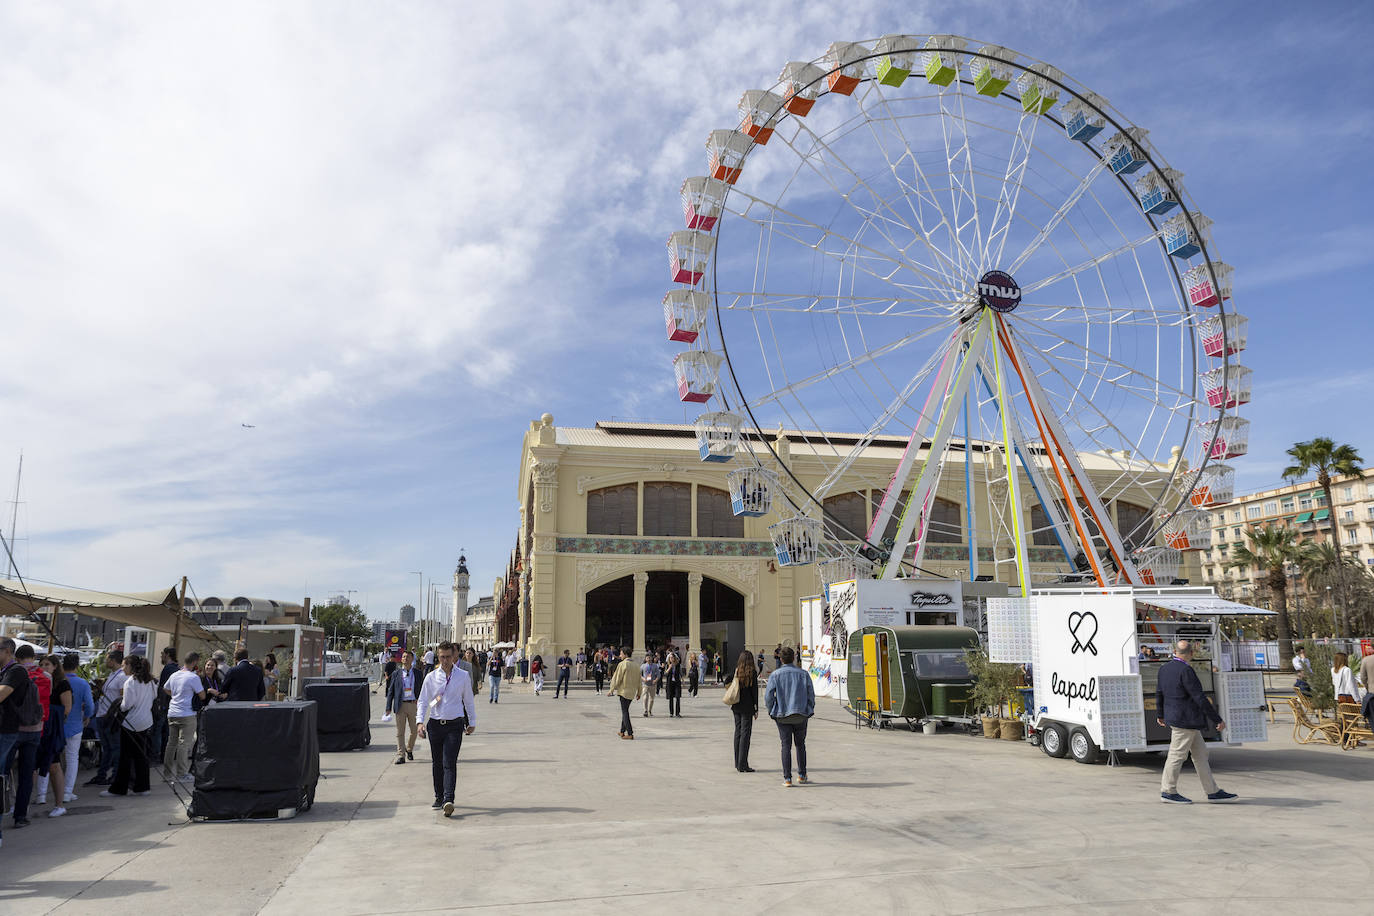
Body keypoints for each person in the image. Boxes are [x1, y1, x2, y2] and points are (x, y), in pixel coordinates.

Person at [1156, 639, 1236, 804]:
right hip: (1186, 720)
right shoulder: (1186, 670)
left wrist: (1160, 713)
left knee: (1200, 756)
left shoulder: (1164, 669)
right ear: (1191, 653)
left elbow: (1159, 692)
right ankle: (1168, 790)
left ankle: (1212, 791)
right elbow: (1199, 697)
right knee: (1176, 755)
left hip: (1177, 718)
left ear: (1175, 651)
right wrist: (1216, 719)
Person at [417, 642, 476, 818]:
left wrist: (471, 721)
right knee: (437, 762)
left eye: (448, 657)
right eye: (442, 657)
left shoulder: (463, 676)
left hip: (455, 725)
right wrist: (420, 722)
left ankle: (448, 799)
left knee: (449, 762)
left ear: (454, 656)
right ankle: (439, 795)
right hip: (435, 724)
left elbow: (469, 700)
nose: (445, 660)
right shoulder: (431, 677)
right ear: (438, 656)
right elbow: (422, 700)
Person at [0, 637, 44, 836]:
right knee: (23, 775)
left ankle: (12, 813)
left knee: (6, 776)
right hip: (31, 728)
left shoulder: (15, 671)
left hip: (12, 731)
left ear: (9, 652)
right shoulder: (44, 676)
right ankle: (19, 816)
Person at [102, 655, 157, 798]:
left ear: (131, 666)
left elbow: (126, 705)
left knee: (125, 757)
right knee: (141, 756)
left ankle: (119, 789)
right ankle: (143, 787)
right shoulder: (150, 681)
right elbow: (154, 697)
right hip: (146, 721)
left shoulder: (130, 682)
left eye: (124, 665)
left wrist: (119, 704)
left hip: (131, 723)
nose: (122, 668)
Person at [764, 646, 815, 787]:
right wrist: (809, 708)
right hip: (800, 714)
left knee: (785, 745)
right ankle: (802, 775)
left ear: (781, 659)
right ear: (794, 658)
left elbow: (768, 696)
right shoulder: (803, 674)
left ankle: (787, 778)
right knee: (800, 745)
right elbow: (811, 694)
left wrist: (772, 710)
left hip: (782, 714)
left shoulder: (775, 675)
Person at [35, 653, 72, 816]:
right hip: (38, 727)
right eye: (42, 664)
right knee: (31, 765)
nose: (44, 667)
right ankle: (36, 797)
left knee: (54, 765)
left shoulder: (62, 684)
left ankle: (59, 805)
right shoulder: (37, 680)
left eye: (47, 664)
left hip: (53, 729)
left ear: (55, 666)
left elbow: (67, 708)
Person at [85, 649, 127, 786]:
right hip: (102, 715)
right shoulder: (113, 675)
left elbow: (122, 698)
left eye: (107, 659)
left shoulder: (121, 677)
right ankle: (101, 775)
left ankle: (115, 775)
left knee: (115, 748)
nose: (105, 661)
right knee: (107, 748)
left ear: (113, 660)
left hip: (111, 717)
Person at [162, 652, 205, 783]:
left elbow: (165, 688)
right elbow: (202, 695)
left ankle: (167, 774)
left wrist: (175, 696)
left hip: (173, 712)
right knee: (184, 744)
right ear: (195, 662)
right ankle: (182, 773)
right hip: (187, 714)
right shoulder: (193, 677)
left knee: (171, 744)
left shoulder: (175, 675)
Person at [58, 653, 94, 801]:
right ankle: (66, 792)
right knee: (72, 758)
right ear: (77, 667)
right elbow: (90, 705)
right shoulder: (83, 683)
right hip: (75, 724)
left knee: (50, 760)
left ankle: (41, 793)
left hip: (56, 725)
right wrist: (87, 716)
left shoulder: (56, 681)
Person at [388, 650, 422, 764]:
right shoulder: (396, 673)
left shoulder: (418, 673)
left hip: (413, 704)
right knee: (400, 732)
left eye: (408, 657)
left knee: (414, 730)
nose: (405, 659)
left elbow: (422, 689)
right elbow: (391, 690)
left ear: (412, 659)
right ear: (401, 659)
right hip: (400, 705)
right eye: (403, 657)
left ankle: (409, 749)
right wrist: (388, 706)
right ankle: (401, 755)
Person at [729, 650, 759, 772]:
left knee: (738, 733)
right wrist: (756, 708)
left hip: (736, 705)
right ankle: (743, 764)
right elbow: (754, 692)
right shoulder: (752, 672)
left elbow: (726, 681)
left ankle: (737, 763)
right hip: (747, 707)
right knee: (745, 735)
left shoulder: (737, 671)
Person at [150, 646, 178, 761]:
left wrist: (159, 705)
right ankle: (164, 755)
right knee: (167, 732)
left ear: (167, 654)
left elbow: (163, 688)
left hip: (164, 705)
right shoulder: (177, 668)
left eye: (162, 653)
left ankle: (155, 755)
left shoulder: (167, 669)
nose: (161, 656)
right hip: (171, 705)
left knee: (157, 731)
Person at [607, 647, 640, 739]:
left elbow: (617, 679)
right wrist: (639, 692)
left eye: (621, 654)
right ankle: (622, 731)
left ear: (625, 654)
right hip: (632, 692)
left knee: (625, 712)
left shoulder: (622, 664)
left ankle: (630, 733)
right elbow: (639, 680)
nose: (620, 655)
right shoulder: (636, 665)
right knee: (625, 711)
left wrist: (611, 690)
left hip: (624, 692)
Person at [640, 651, 660, 717]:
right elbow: (640, 675)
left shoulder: (655, 666)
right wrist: (643, 679)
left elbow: (658, 675)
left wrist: (655, 680)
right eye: (647, 657)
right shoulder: (643, 666)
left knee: (651, 699)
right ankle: (645, 710)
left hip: (652, 684)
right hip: (645, 684)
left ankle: (650, 710)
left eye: (649, 657)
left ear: (651, 658)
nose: (648, 658)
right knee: (645, 697)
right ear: (645, 658)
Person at [664, 652, 683, 717]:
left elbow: (681, 673)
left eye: (673, 657)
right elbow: (665, 674)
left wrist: (682, 681)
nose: (672, 659)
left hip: (677, 683)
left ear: (675, 658)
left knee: (678, 697)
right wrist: (669, 668)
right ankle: (671, 713)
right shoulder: (667, 665)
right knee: (671, 698)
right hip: (670, 683)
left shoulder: (678, 665)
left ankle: (677, 713)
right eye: (670, 658)